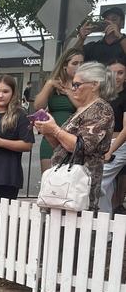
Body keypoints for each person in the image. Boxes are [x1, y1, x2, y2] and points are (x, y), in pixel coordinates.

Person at [35, 61, 115, 211]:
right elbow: (62, 148)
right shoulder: (82, 110)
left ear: (95, 85)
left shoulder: (101, 109)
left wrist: (55, 130)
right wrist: (48, 132)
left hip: (80, 187)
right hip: (66, 184)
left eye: (77, 85)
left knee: (76, 231)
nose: (73, 88)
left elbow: (82, 146)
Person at [33, 48, 84, 173]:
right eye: (75, 63)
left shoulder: (85, 85)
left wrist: (68, 92)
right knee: (48, 182)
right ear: (65, 66)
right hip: (50, 138)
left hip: (72, 139)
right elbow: (38, 106)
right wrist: (49, 84)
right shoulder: (54, 83)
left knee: (68, 183)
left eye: (82, 63)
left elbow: (83, 108)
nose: (79, 66)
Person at [98, 60, 126, 213]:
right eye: (112, 73)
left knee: (98, 182)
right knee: (106, 187)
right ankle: (106, 230)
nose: (116, 76)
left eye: (120, 73)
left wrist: (111, 151)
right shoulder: (103, 96)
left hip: (120, 145)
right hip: (103, 144)